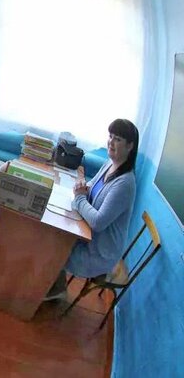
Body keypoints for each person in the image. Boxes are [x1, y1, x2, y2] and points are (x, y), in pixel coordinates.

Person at [45, 119, 139, 301]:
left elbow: (97, 222)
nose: (111, 142)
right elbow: (90, 187)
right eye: (110, 136)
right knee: (53, 233)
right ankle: (55, 284)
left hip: (99, 252)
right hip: (87, 236)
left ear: (130, 146)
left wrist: (80, 198)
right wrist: (82, 187)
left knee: (54, 244)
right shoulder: (110, 163)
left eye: (118, 139)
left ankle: (54, 287)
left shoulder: (125, 183)